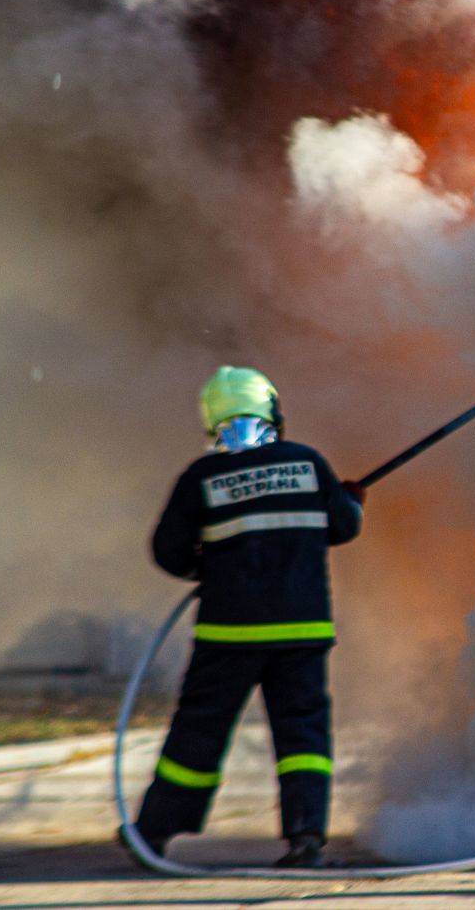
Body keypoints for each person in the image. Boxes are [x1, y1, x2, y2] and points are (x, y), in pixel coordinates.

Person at [124, 366, 365, 869]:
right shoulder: (307, 462)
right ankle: (305, 838)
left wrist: (204, 569)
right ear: (271, 410)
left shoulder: (201, 478)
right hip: (302, 631)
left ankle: (155, 832)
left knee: (199, 730)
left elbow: (167, 552)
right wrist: (351, 501)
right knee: (303, 736)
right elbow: (343, 528)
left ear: (213, 420)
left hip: (228, 634)